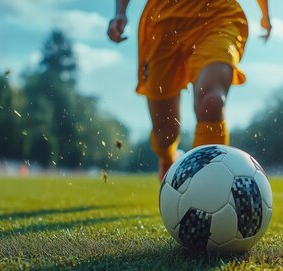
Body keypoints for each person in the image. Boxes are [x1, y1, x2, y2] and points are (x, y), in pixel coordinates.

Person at [107, 0, 271, 179]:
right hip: (163, 20)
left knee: (212, 102)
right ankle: (169, 159)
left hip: (217, 14)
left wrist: (265, 13)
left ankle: (207, 182)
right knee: (165, 136)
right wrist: (120, 12)